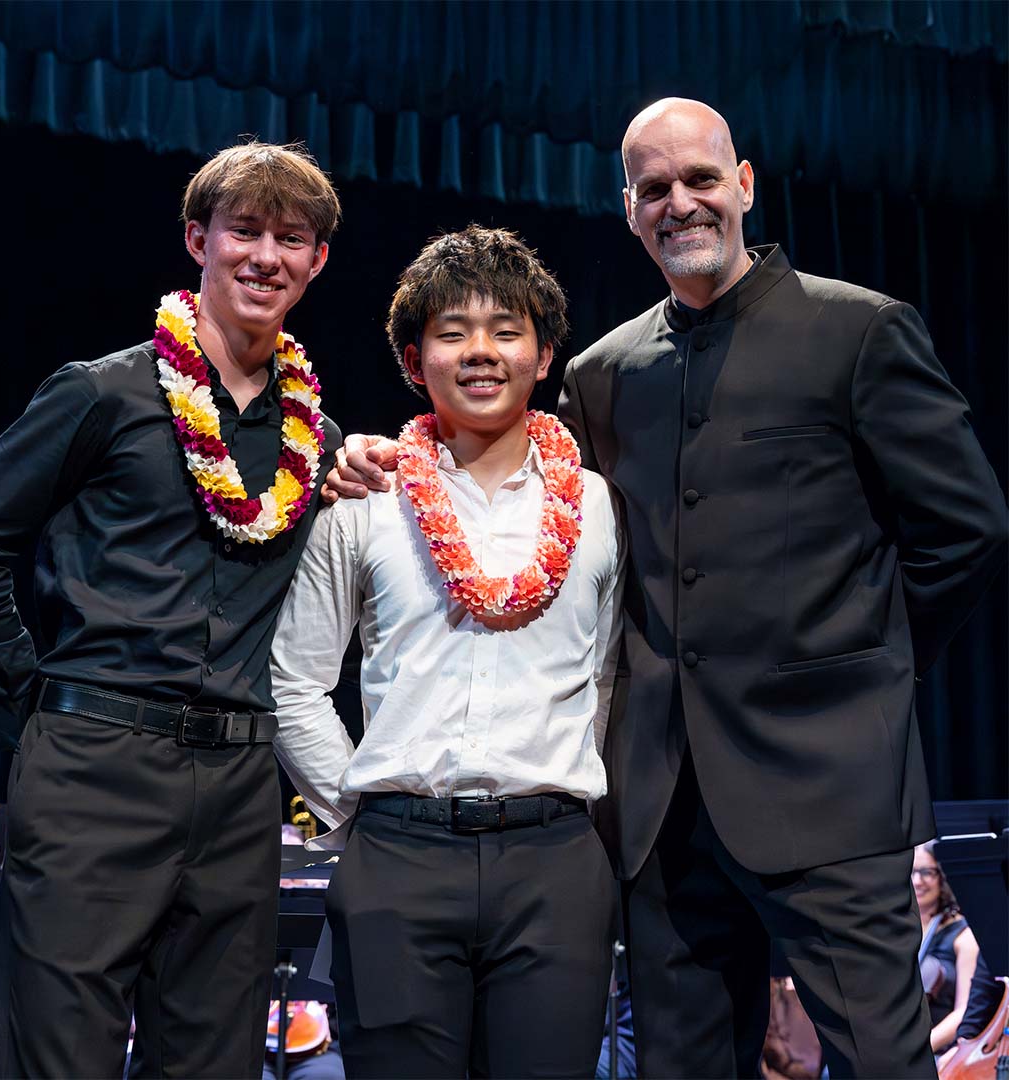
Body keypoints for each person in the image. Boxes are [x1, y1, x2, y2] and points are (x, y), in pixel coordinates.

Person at [324, 99, 1008, 1078]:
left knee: (881, 1064)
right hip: (659, 813)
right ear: (629, 209)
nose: (679, 203)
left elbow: (968, 529)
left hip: (828, 789)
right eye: (655, 189)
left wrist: (865, 675)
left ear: (745, 185)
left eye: (698, 179)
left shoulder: (859, 332)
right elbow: (538, 512)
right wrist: (381, 459)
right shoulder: (604, 373)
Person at [0, 141, 342, 1078]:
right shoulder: (103, 393)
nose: (265, 256)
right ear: (198, 238)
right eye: (244, 231)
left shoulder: (311, 436)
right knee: (61, 1057)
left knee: (211, 1062)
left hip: (239, 786)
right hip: (95, 769)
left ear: (317, 262)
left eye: (292, 238)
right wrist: (26, 711)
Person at [271, 226, 623, 1078]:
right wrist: (361, 814)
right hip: (397, 858)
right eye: (452, 331)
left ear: (544, 358)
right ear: (411, 358)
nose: (481, 352)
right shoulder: (365, 500)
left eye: (507, 330)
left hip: (556, 862)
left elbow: (603, 674)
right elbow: (294, 682)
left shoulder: (602, 506)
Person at [913, 843, 980, 1055]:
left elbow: (963, 1011)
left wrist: (917, 1051)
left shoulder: (964, 935)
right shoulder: (894, 930)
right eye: (911, 872)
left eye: (927, 872)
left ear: (943, 876)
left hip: (936, 1052)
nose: (917, 881)